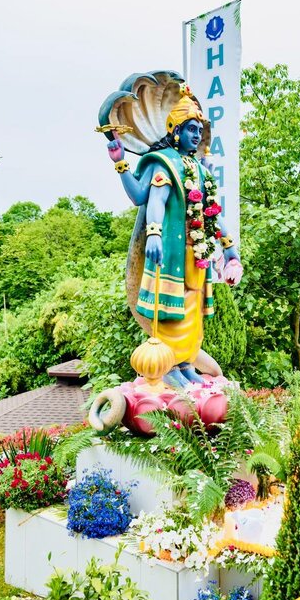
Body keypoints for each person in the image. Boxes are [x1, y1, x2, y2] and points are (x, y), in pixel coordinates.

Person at [105, 84, 243, 387]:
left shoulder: (200, 170)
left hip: (197, 256)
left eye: (199, 130)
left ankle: (185, 365)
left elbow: (213, 213)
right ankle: (167, 368)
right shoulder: (164, 161)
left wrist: (230, 248)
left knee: (193, 313)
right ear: (176, 131)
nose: (196, 135)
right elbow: (150, 198)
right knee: (170, 312)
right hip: (171, 253)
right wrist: (153, 232)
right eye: (191, 129)